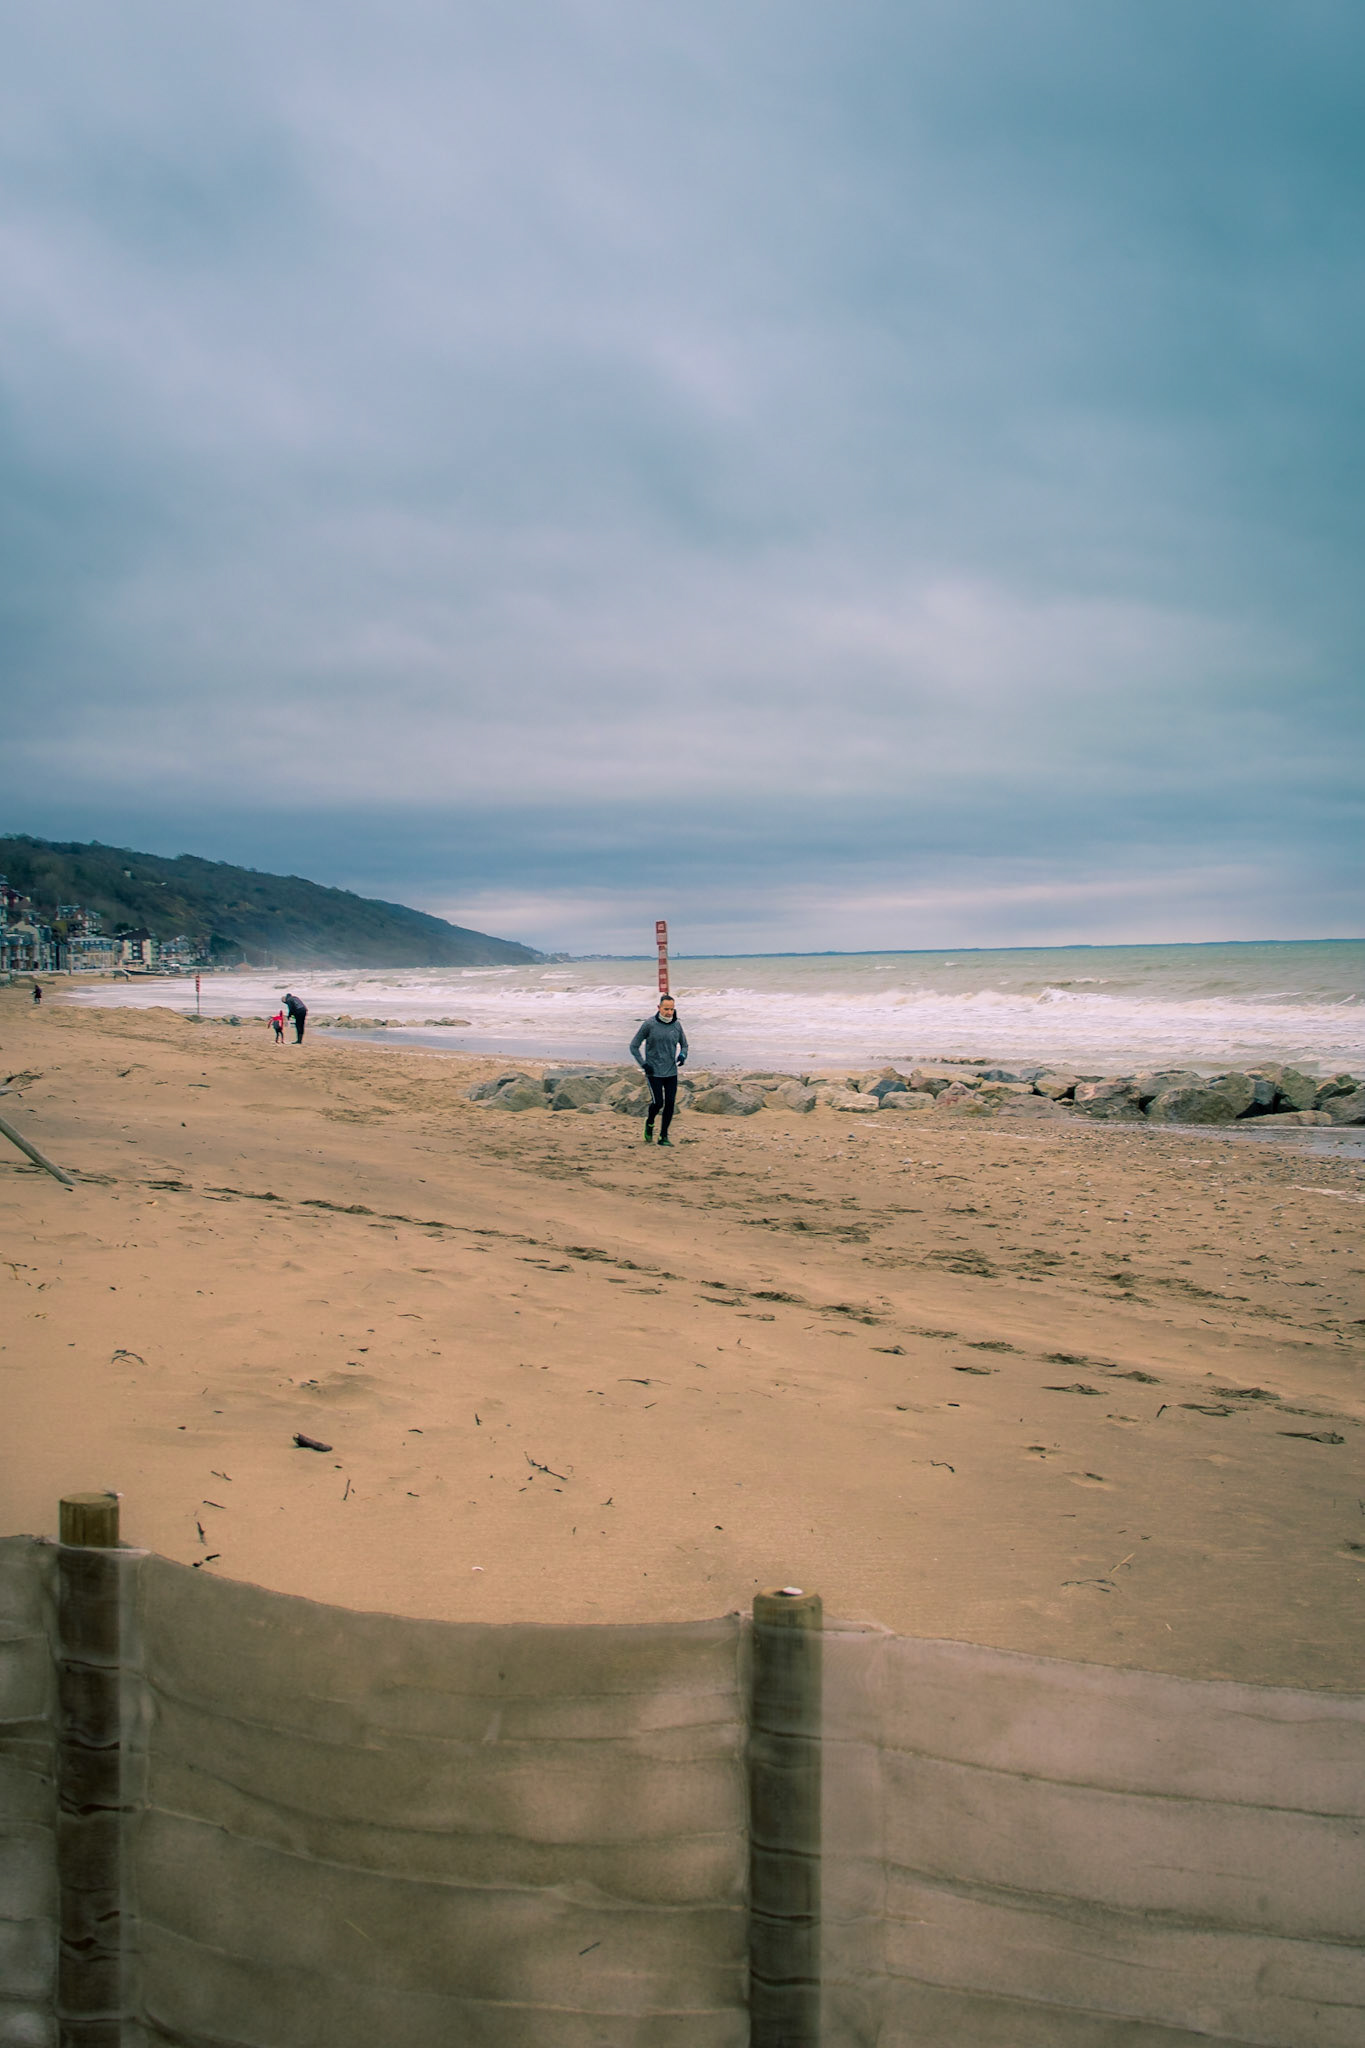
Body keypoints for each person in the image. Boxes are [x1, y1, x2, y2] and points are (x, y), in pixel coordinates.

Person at [629, 993, 688, 1145]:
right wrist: (644, 1064)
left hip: (671, 1072)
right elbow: (634, 1046)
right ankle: (650, 1123)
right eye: (666, 1009)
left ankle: (663, 1136)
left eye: (672, 1009)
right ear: (659, 1008)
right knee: (658, 1103)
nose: (669, 1012)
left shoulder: (677, 1025)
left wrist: (682, 1055)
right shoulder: (649, 1024)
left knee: (670, 1103)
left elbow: (684, 1045)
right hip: (653, 1072)